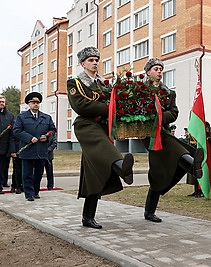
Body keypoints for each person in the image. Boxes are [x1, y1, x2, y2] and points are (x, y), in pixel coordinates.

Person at [67, 46, 135, 229]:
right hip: (86, 126)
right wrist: (108, 108)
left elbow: (112, 100)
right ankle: (122, 168)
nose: (95, 62)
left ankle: (87, 217)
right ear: (83, 64)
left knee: (94, 172)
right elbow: (81, 105)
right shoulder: (75, 82)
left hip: (102, 126)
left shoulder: (104, 84)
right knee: (104, 147)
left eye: (97, 59)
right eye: (90, 60)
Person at [140, 58, 204, 223]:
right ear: (148, 72)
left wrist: (159, 117)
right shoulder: (139, 90)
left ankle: (149, 212)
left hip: (163, 131)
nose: (159, 71)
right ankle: (191, 165)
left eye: (161, 69)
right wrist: (151, 118)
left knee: (158, 171)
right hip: (148, 134)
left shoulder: (169, 92)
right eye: (156, 69)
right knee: (176, 149)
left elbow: (174, 112)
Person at [13, 92, 56, 201]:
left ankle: (36, 191)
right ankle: (29, 194)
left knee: (38, 173)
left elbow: (52, 130)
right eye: (33, 102)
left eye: (37, 102)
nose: (35, 104)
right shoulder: (22, 117)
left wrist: (47, 137)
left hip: (41, 149)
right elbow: (16, 131)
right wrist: (29, 138)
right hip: (28, 149)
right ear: (29, 104)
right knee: (27, 173)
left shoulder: (46, 117)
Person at [181, 128, 203, 198]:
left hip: (198, 151)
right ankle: (196, 190)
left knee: (199, 171)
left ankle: (201, 191)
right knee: (194, 173)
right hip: (193, 152)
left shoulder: (199, 130)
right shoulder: (190, 136)